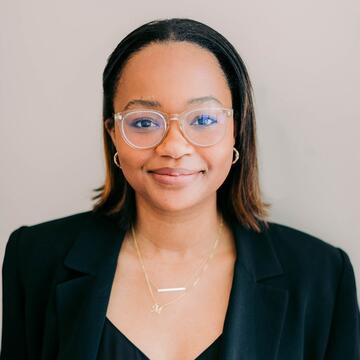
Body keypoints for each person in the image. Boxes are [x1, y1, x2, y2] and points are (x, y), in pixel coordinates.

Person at [1, 18, 359, 360]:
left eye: (203, 119)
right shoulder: (34, 260)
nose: (174, 146)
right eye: (144, 122)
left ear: (237, 130)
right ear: (113, 134)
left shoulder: (322, 276)